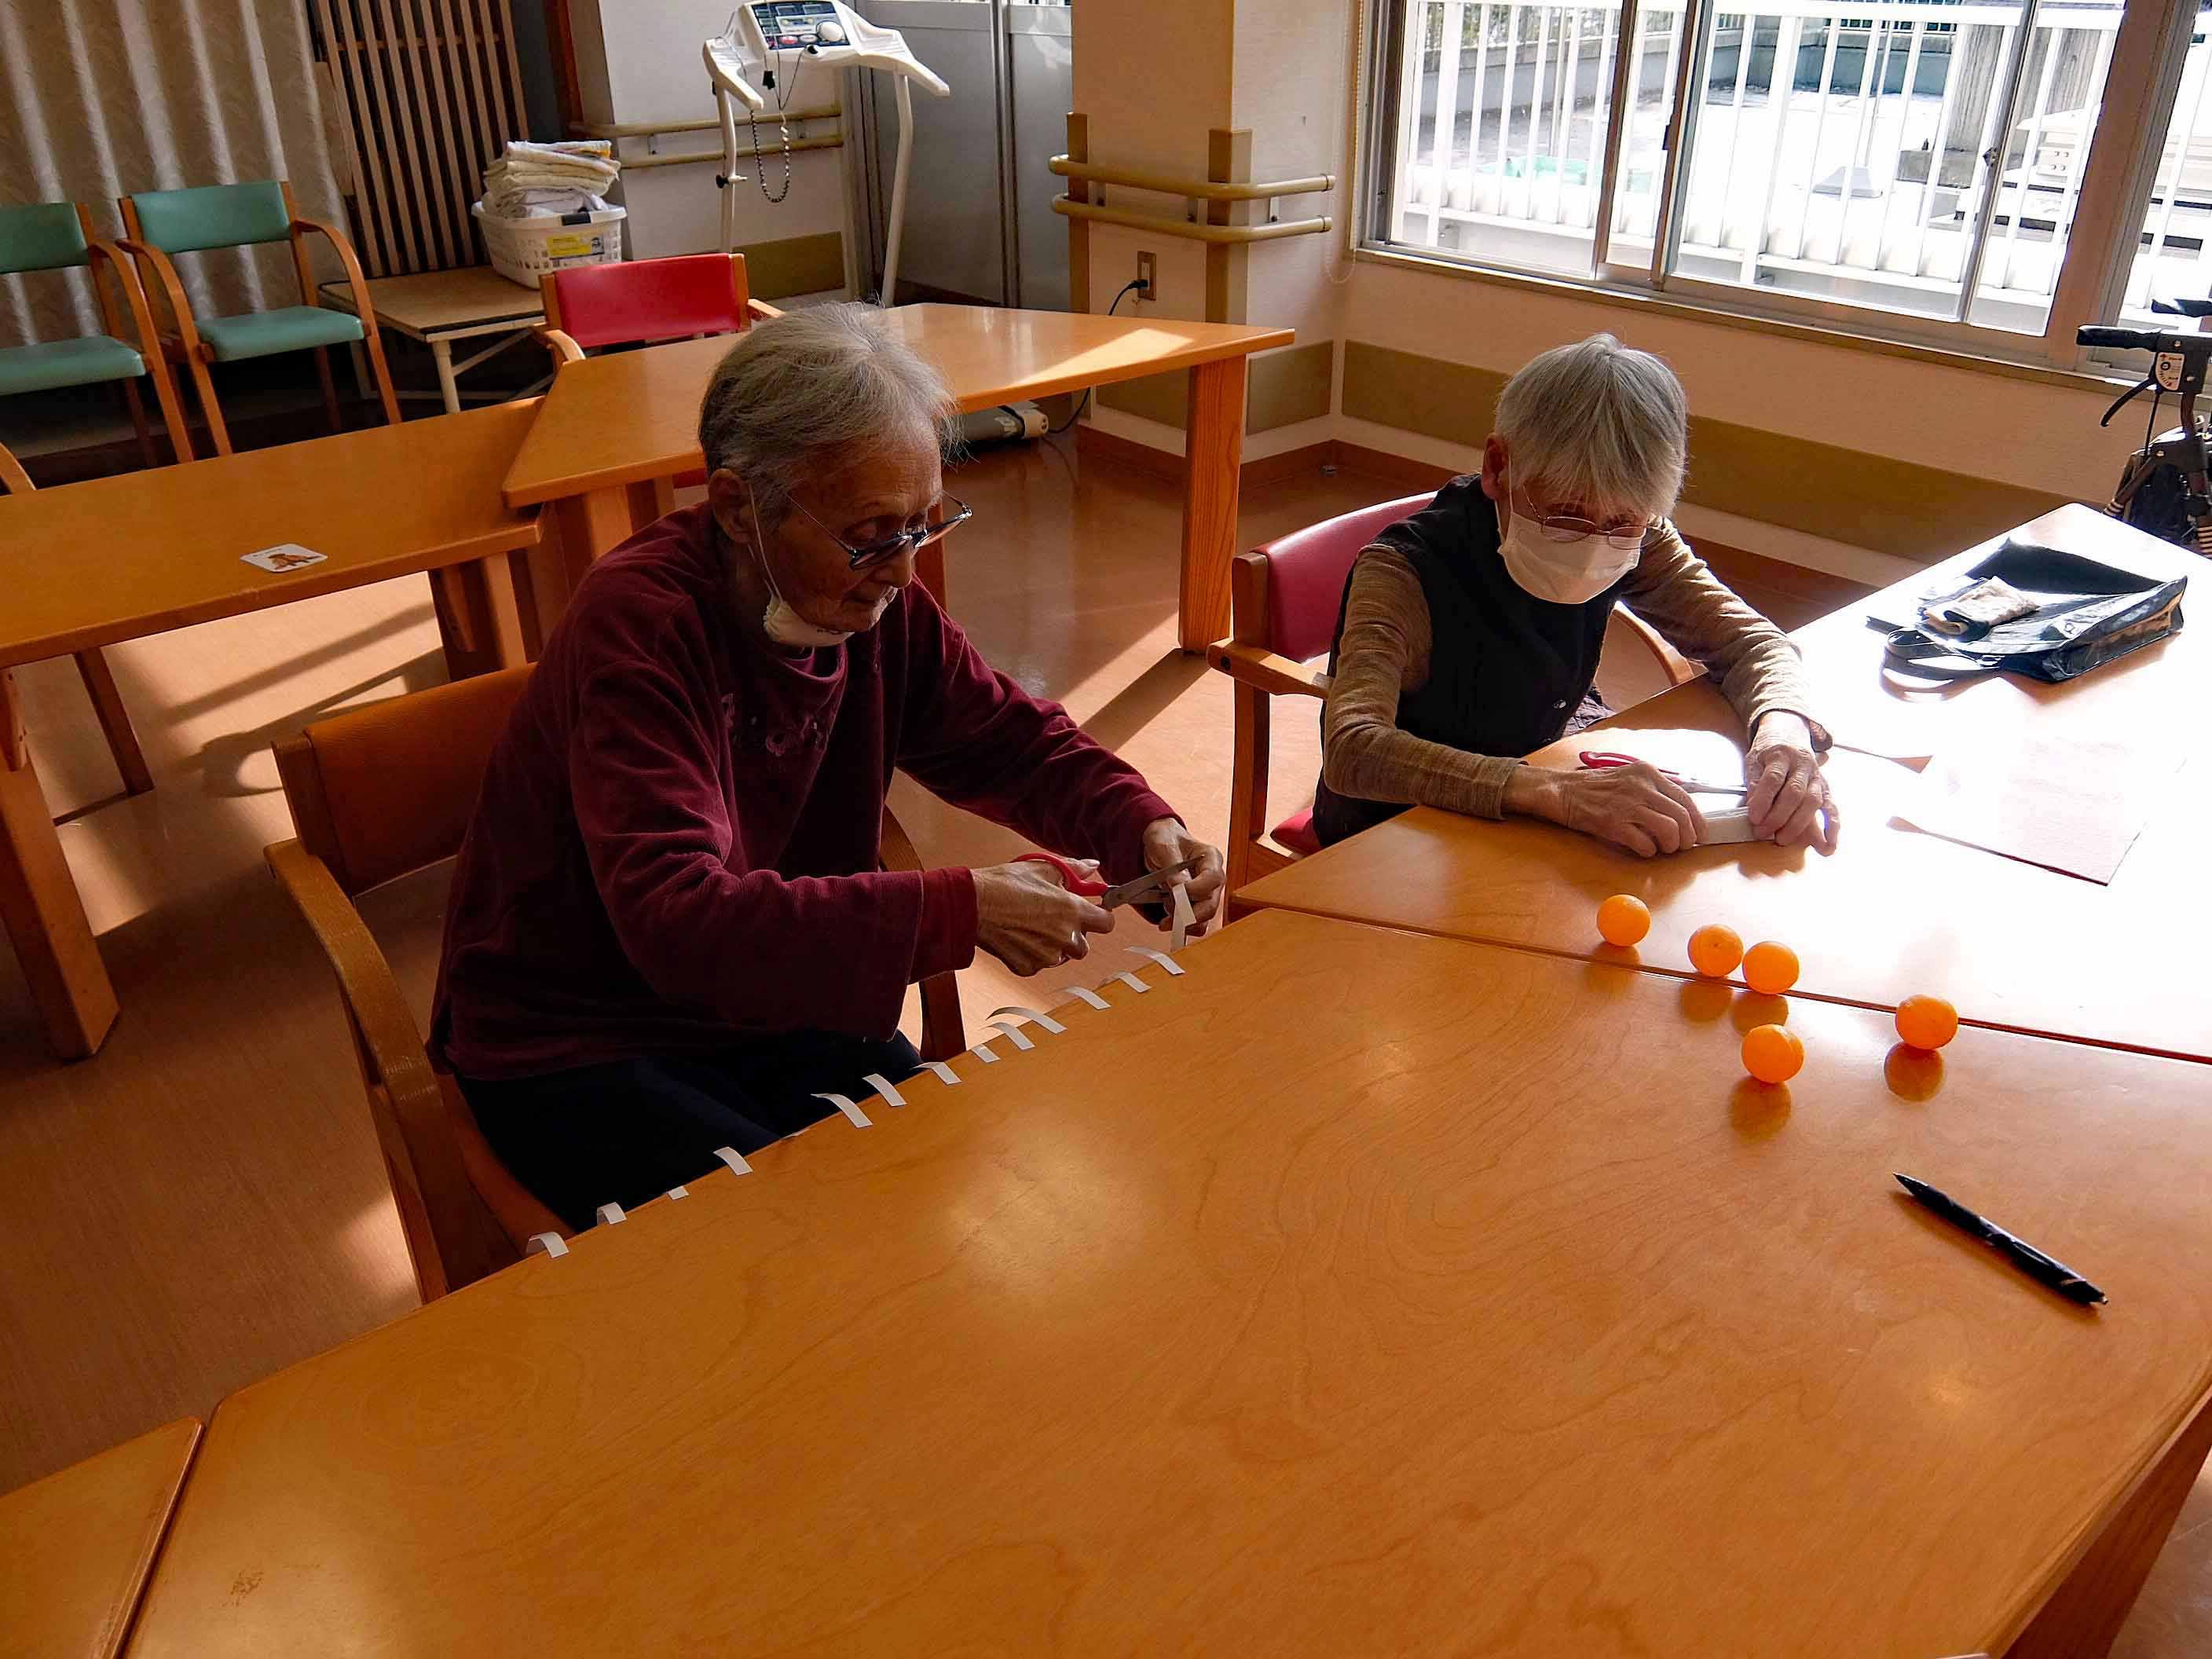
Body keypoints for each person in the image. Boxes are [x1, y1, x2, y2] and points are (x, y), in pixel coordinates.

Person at [431, 304, 1224, 1230]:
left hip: (768, 997)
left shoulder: (880, 603)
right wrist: (958, 908)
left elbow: (1004, 739)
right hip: (580, 1030)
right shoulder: (641, 628)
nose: (900, 570)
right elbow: (675, 920)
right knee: (796, 1250)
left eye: (925, 526)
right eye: (871, 534)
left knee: (931, 1186)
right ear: (736, 507)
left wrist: (1137, 820)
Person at [1314, 333, 1836, 859]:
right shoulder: (1405, 570)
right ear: (1499, 467)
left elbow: (1753, 643)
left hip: (1538, 783)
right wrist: (1555, 793)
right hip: (1401, 831)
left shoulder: (1638, 537)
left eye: (1622, 522)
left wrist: (1783, 732)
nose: (1594, 543)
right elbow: (1354, 748)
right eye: (1566, 513)